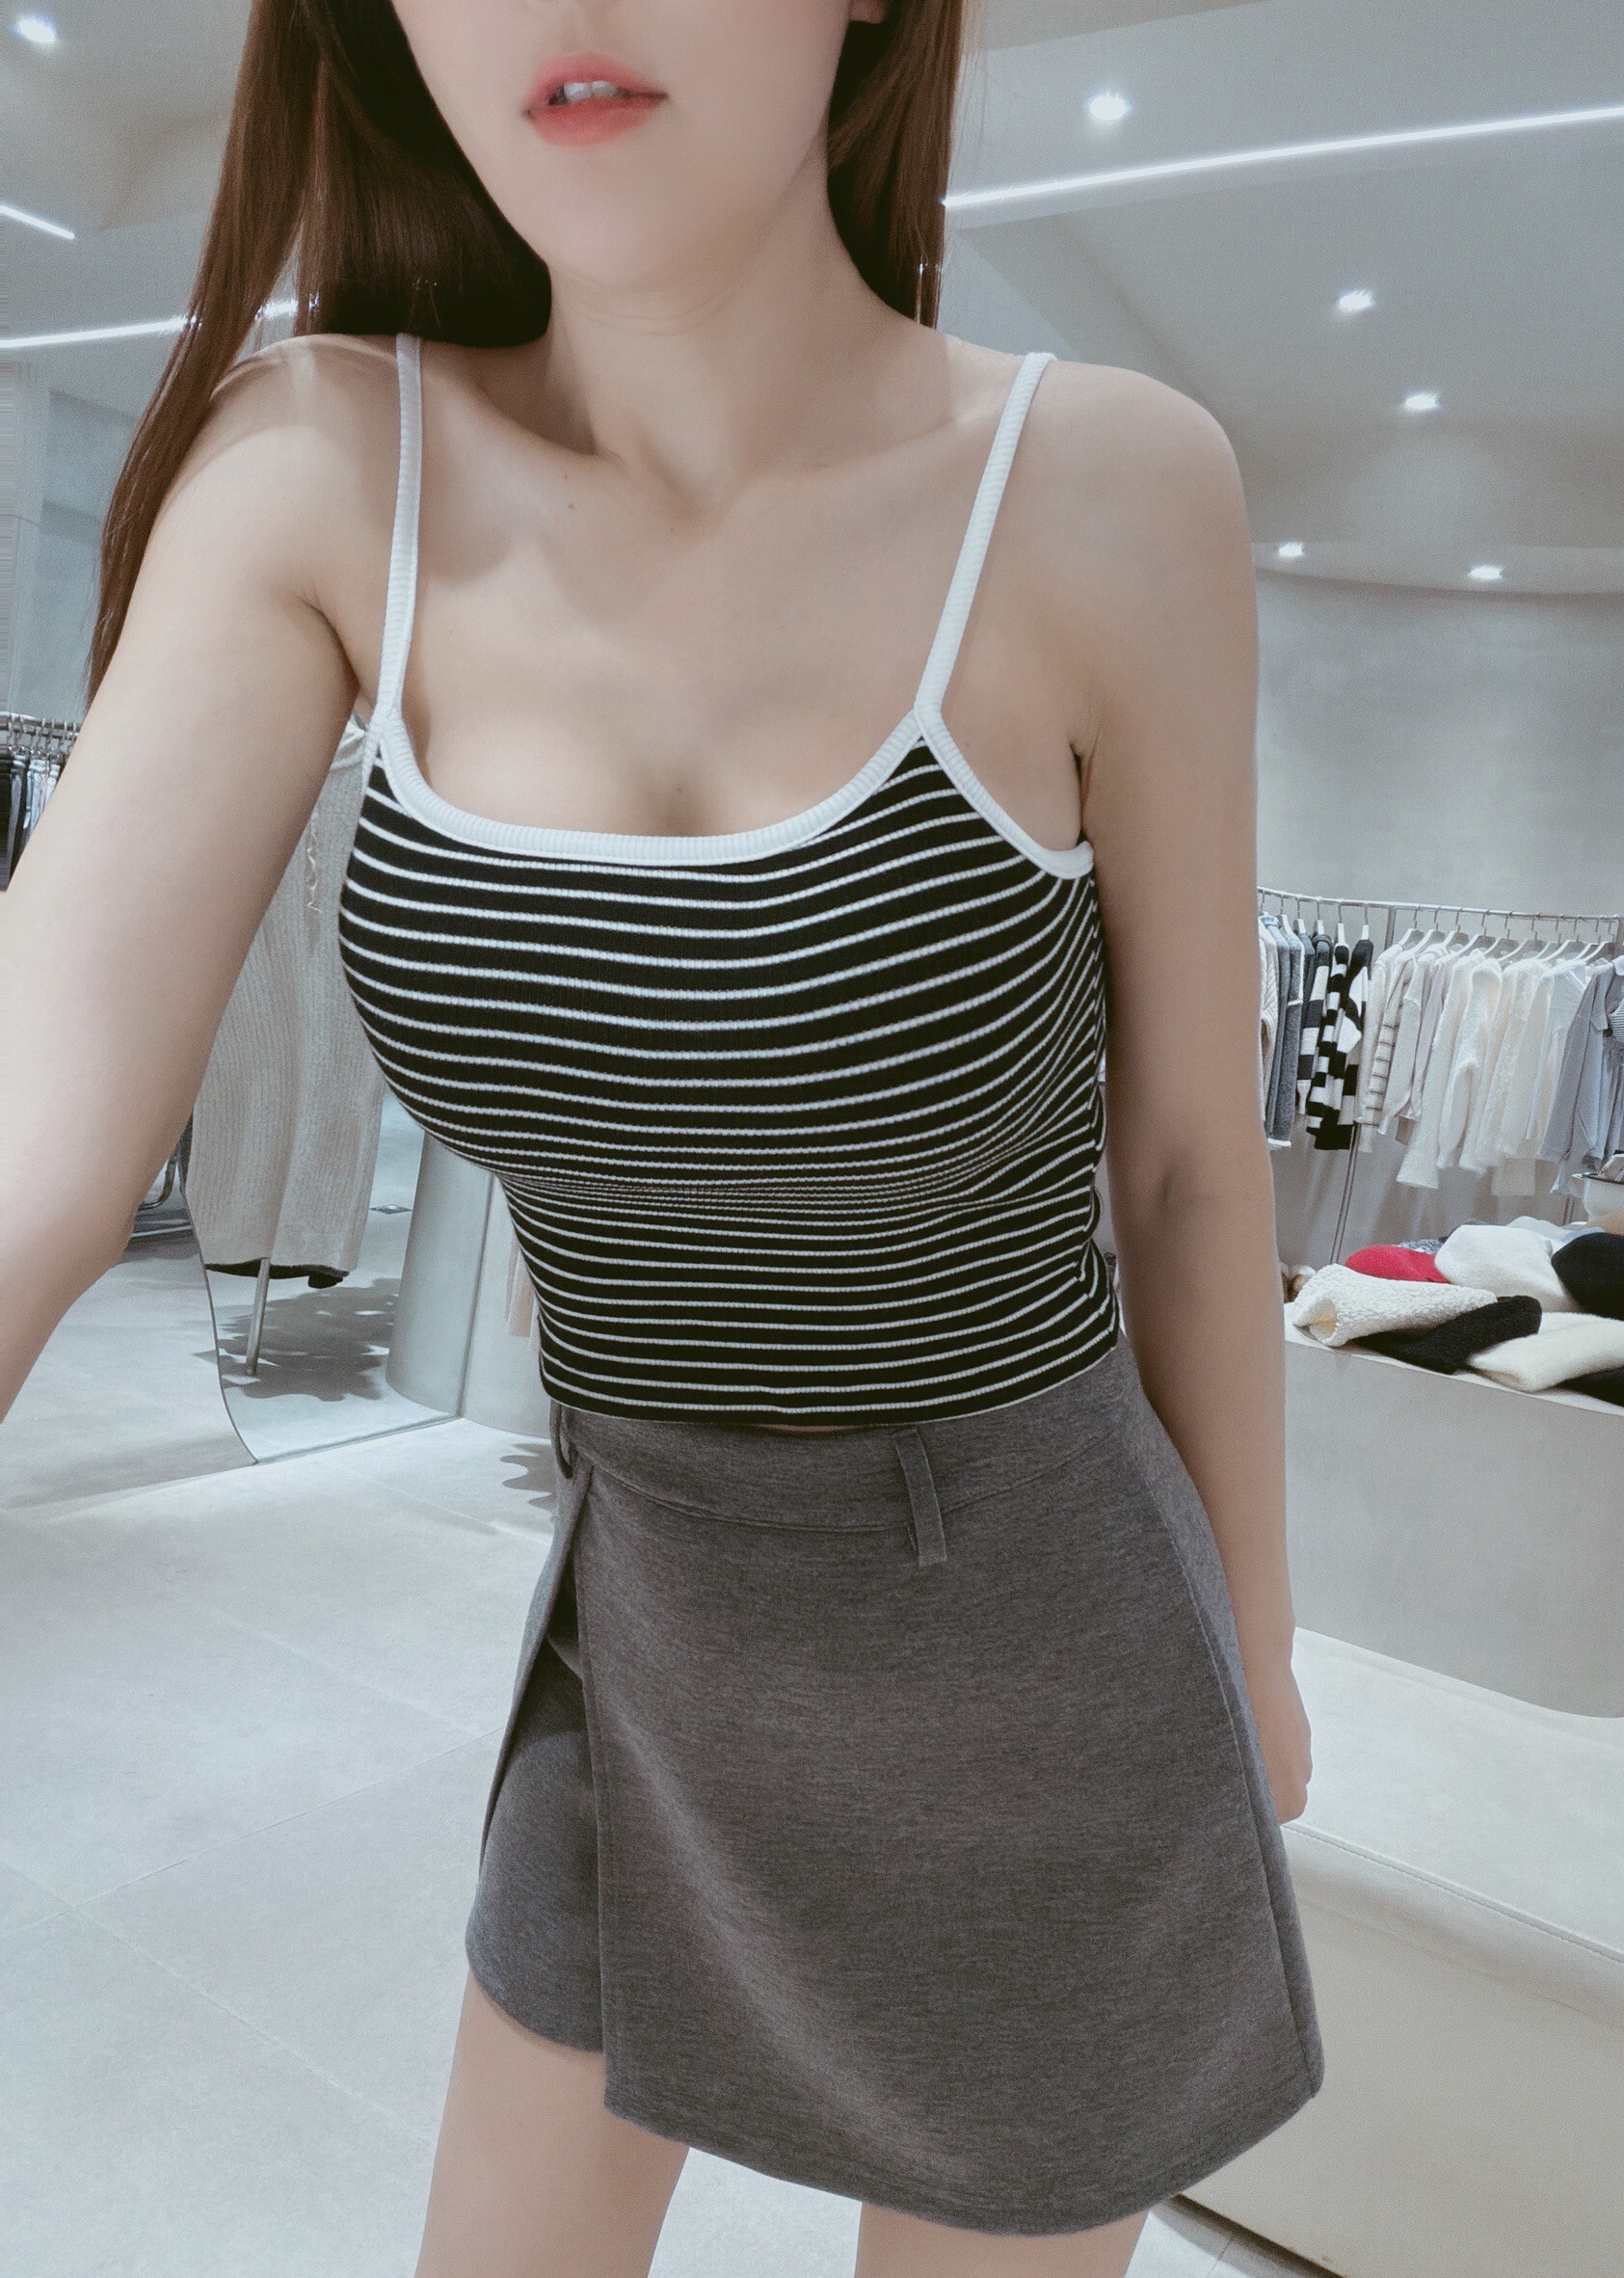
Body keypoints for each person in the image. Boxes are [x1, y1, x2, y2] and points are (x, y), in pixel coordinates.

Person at [0, 2, 1323, 2272]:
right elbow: (40, 1086)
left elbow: (1192, 1162)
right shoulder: (322, 466)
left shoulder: (1103, 488)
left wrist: (1257, 1649)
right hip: (647, 1612)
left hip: (1038, 1641)